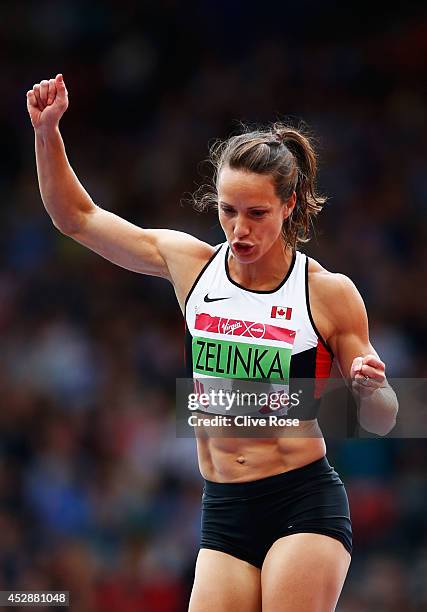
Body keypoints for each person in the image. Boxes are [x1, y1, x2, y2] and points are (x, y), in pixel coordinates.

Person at [27, 74, 398, 612]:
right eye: (228, 211)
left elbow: (385, 417)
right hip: (224, 506)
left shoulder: (326, 292)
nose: (239, 229)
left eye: (256, 214)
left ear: (289, 206)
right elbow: (77, 218)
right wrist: (47, 134)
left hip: (302, 500)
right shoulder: (191, 266)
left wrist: (372, 391)